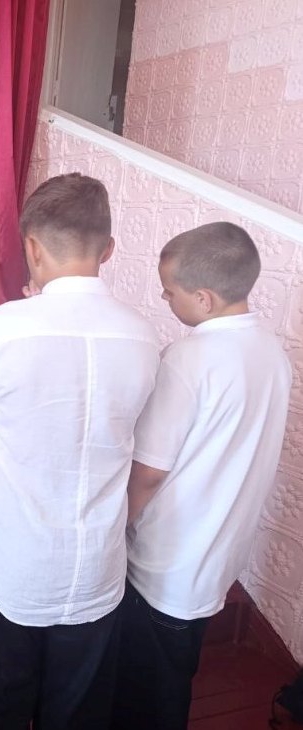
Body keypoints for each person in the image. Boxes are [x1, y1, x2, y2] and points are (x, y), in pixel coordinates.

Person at [0, 173, 161, 728]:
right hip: (98, 569)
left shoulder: (2, 327)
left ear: (32, 247)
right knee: (79, 714)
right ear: (108, 249)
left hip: (10, 566)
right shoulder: (144, 335)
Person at [111, 223, 291, 729]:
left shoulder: (188, 359)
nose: (164, 298)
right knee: (175, 670)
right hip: (218, 550)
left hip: (164, 562)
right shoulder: (273, 353)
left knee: (147, 692)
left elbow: (149, 470)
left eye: (169, 291)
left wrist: (117, 526)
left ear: (204, 299)